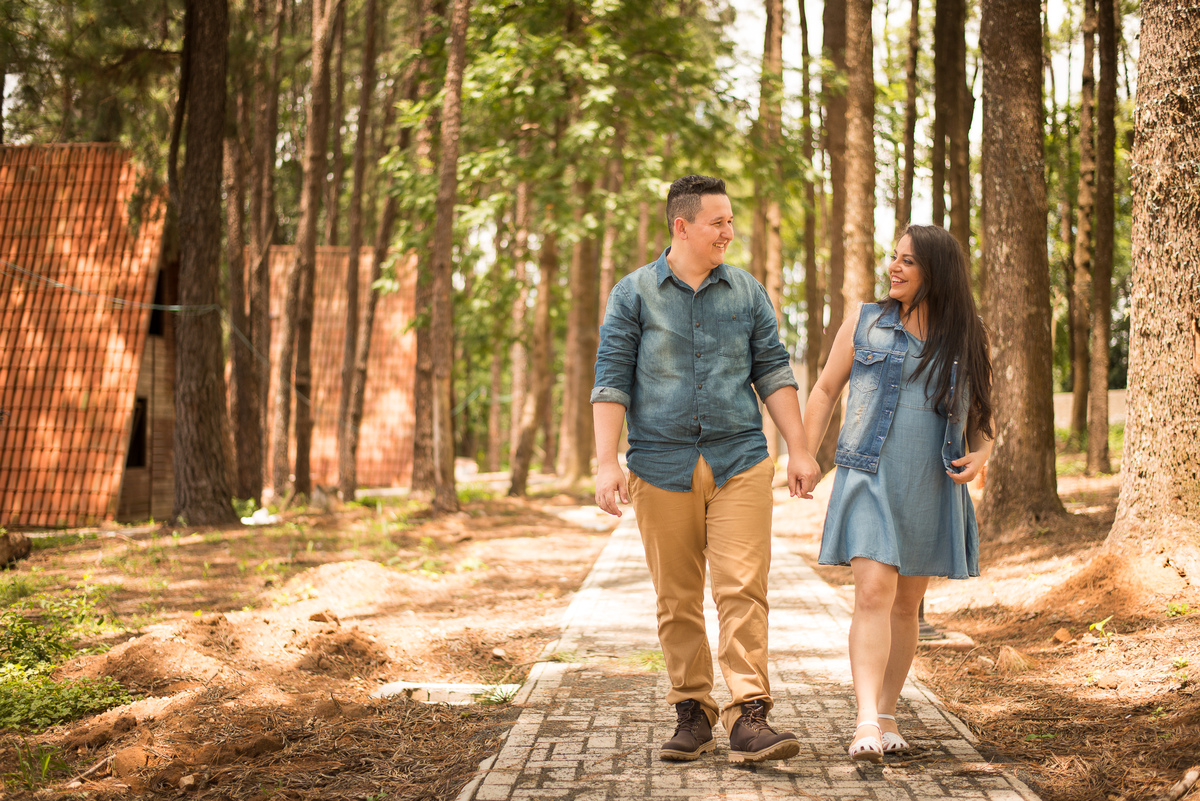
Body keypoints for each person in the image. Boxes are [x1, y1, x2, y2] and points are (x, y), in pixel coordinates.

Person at [592, 174, 822, 764]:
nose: (729, 231)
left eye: (729, 220)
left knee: (743, 588)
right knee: (678, 598)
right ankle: (691, 711)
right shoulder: (634, 293)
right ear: (682, 225)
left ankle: (750, 715)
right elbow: (612, 380)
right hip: (659, 463)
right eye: (718, 222)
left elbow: (773, 371)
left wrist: (799, 447)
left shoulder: (746, 292)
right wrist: (605, 463)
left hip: (739, 459)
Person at [803, 223, 994, 763]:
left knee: (907, 604)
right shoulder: (864, 321)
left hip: (930, 479)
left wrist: (982, 454)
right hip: (868, 472)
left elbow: (982, 412)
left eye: (907, 260)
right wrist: (804, 456)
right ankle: (864, 718)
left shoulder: (967, 333)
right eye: (894, 257)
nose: (894, 266)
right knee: (872, 594)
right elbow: (823, 389)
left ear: (936, 271)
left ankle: (887, 714)